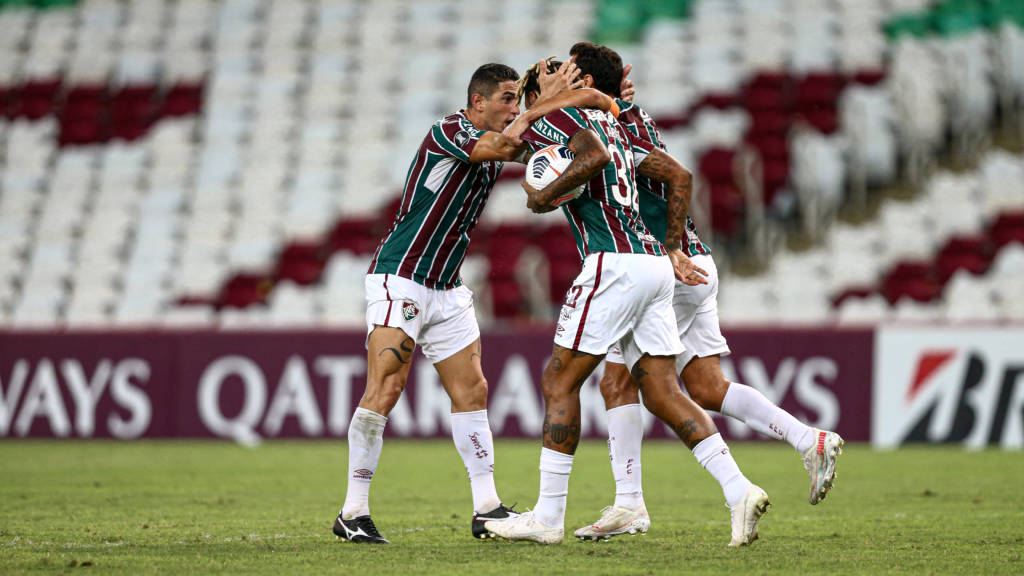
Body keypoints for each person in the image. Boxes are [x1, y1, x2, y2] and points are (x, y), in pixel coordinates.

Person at [511, 44, 845, 543]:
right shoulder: (620, 115)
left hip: (656, 261)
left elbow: (677, 175)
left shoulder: (608, 124)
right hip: (679, 260)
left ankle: (625, 504)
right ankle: (803, 441)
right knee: (700, 387)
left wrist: (670, 247)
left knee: (615, 384)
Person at [332, 63, 618, 544]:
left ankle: (486, 508)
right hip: (401, 277)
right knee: (387, 386)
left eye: (516, 100)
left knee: (473, 391)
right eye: (507, 99)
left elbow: (546, 149)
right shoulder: (449, 130)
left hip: (447, 287)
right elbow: (507, 146)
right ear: (478, 102)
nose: (513, 108)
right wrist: (545, 105)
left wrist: (574, 105)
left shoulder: (499, 133)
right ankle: (353, 511)